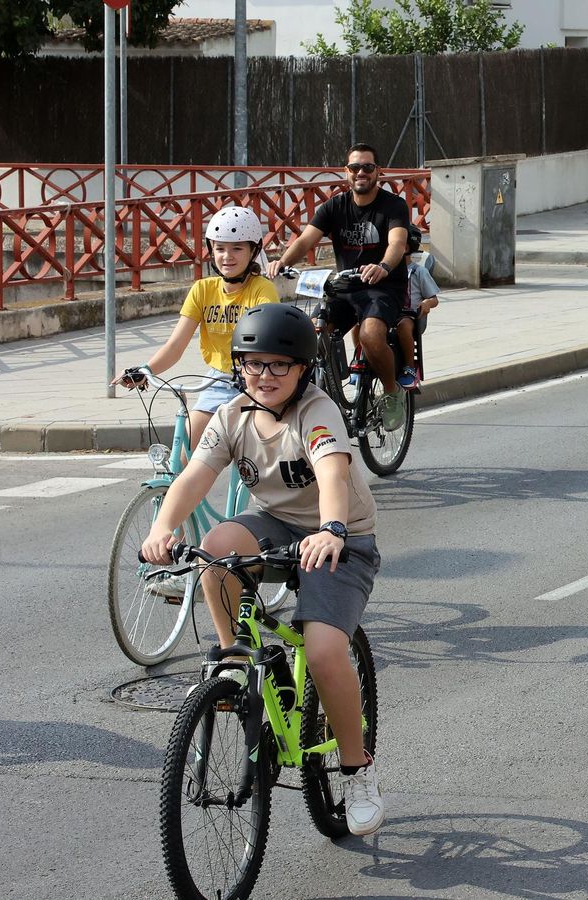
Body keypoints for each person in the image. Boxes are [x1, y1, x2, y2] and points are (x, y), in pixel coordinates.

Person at [139, 303, 385, 837]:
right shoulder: (232, 415)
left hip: (341, 537)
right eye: (254, 364)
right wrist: (161, 528)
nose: (265, 375)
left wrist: (332, 529)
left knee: (323, 650)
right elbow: (194, 477)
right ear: (239, 366)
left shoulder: (317, 412)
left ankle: (357, 769)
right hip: (275, 524)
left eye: (279, 365)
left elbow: (331, 474)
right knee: (216, 548)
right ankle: (235, 657)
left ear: (303, 369)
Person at [114, 205, 280, 453]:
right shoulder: (202, 290)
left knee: (255, 455)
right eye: (220, 248)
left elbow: (267, 343)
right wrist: (145, 370)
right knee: (187, 447)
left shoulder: (262, 290)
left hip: (255, 381)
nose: (227, 256)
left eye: (237, 248)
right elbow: (175, 345)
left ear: (253, 251)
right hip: (218, 380)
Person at [270, 142, 410, 431]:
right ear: (346, 171)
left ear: (378, 171)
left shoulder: (393, 205)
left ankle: (392, 391)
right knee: (310, 331)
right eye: (355, 167)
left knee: (370, 336)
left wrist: (383, 266)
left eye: (367, 167)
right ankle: (324, 388)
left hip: (383, 287)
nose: (361, 172)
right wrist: (282, 262)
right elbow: (305, 240)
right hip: (345, 288)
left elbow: (397, 243)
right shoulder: (335, 205)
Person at [397, 226, 439, 388]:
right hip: (387, 312)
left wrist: (427, 303)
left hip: (409, 316)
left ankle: (409, 367)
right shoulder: (386, 271)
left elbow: (434, 299)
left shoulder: (419, 271)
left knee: (403, 326)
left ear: (406, 248)